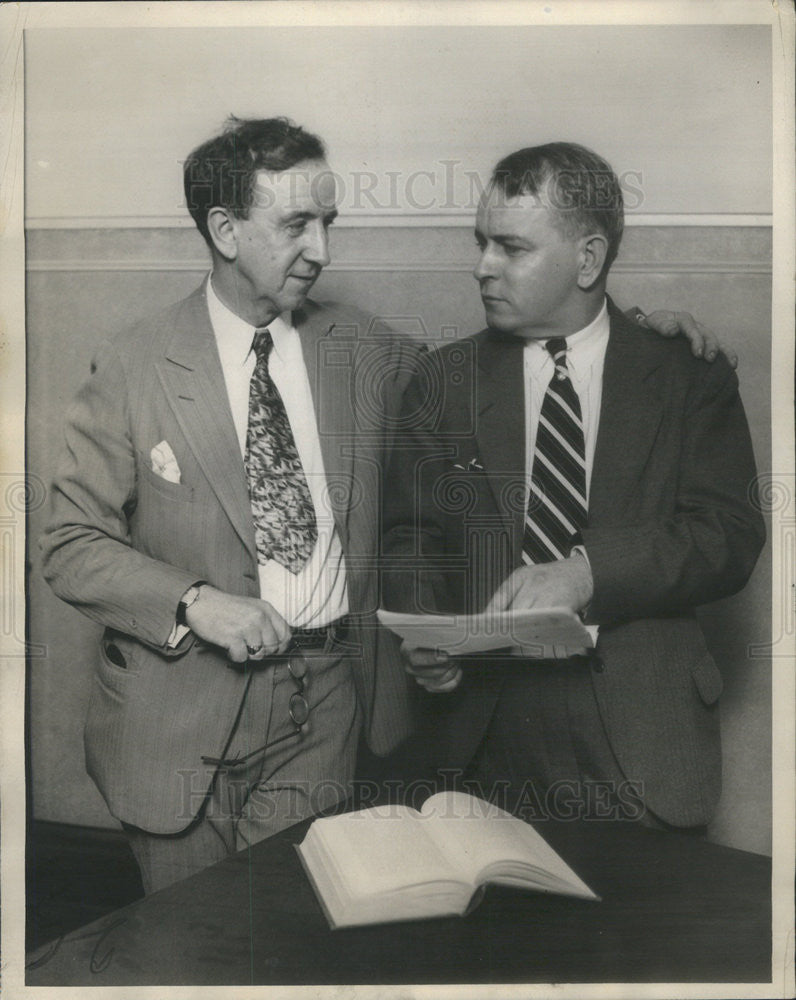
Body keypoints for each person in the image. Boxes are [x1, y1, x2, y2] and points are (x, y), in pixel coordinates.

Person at [41, 118, 735, 892]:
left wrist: (640, 331)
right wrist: (195, 601)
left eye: (328, 223)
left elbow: (544, 352)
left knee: (298, 940)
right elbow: (68, 542)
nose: (323, 251)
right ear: (225, 230)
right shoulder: (134, 362)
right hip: (173, 727)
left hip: (326, 715)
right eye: (297, 224)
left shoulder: (364, 350)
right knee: (184, 946)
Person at [382, 142, 764, 831]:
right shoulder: (442, 381)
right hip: (479, 742)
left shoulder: (687, 375)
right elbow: (408, 535)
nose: (482, 267)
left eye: (511, 247)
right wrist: (422, 631)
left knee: (638, 937)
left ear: (587, 258)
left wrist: (588, 575)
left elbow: (729, 536)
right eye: (481, 243)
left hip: (643, 745)